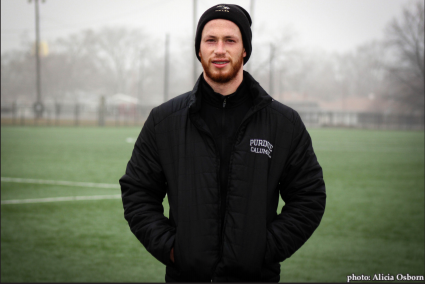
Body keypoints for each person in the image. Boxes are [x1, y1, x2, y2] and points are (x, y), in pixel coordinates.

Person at [119, 4, 326, 282]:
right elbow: (138, 192)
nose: (219, 49)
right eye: (210, 40)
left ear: (244, 50)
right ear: (199, 49)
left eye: (230, 40)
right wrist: (172, 249)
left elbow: (308, 197)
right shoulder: (163, 121)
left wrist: (265, 249)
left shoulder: (283, 123)